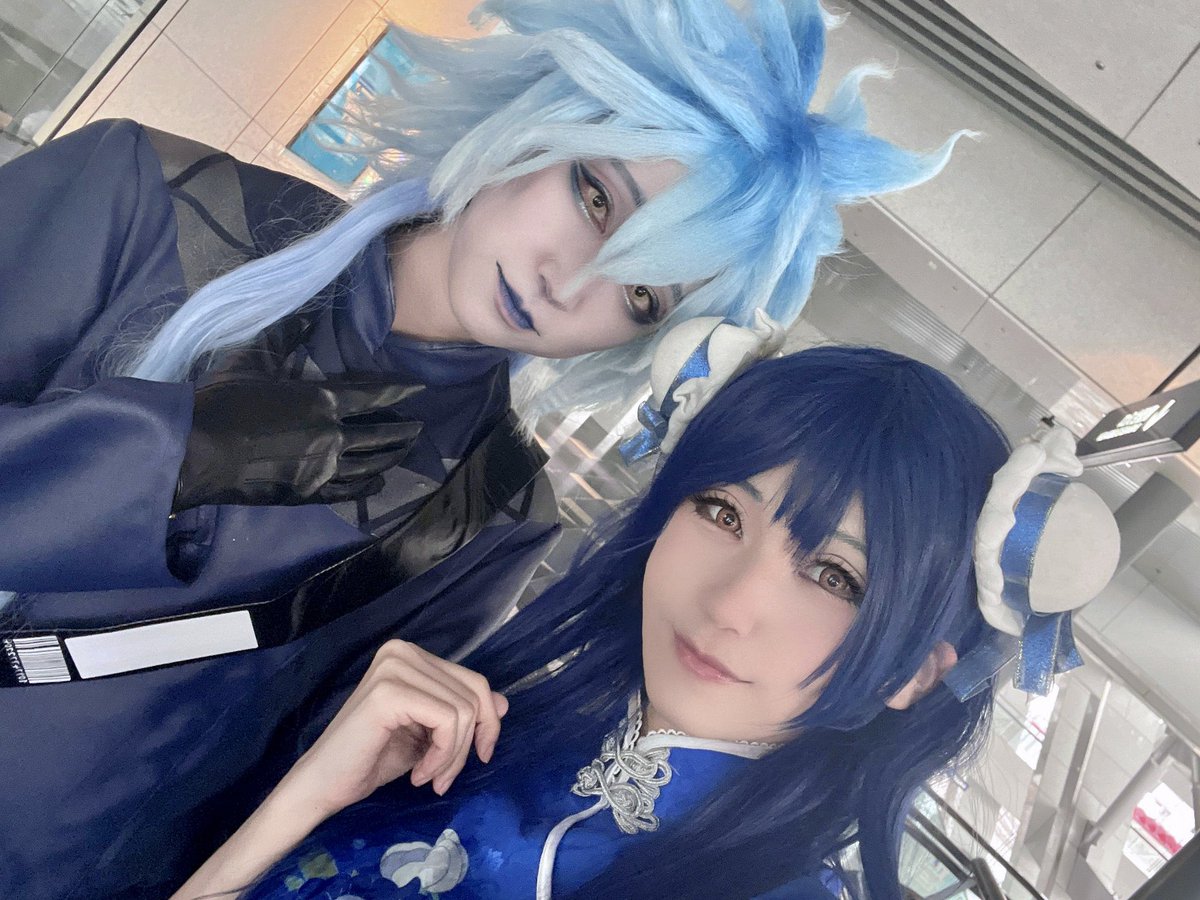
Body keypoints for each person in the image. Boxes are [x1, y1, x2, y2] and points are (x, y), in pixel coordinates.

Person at [0, 1, 964, 895]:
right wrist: (170, 457)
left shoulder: (496, 509)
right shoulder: (145, 199)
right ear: (543, 122)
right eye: (597, 197)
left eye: (641, 296)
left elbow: (288, 767)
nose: (567, 285)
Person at [170, 339, 1020, 900]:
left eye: (834, 575)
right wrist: (307, 797)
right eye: (722, 511)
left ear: (915, 672)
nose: (730, 604)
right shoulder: (482, 741)